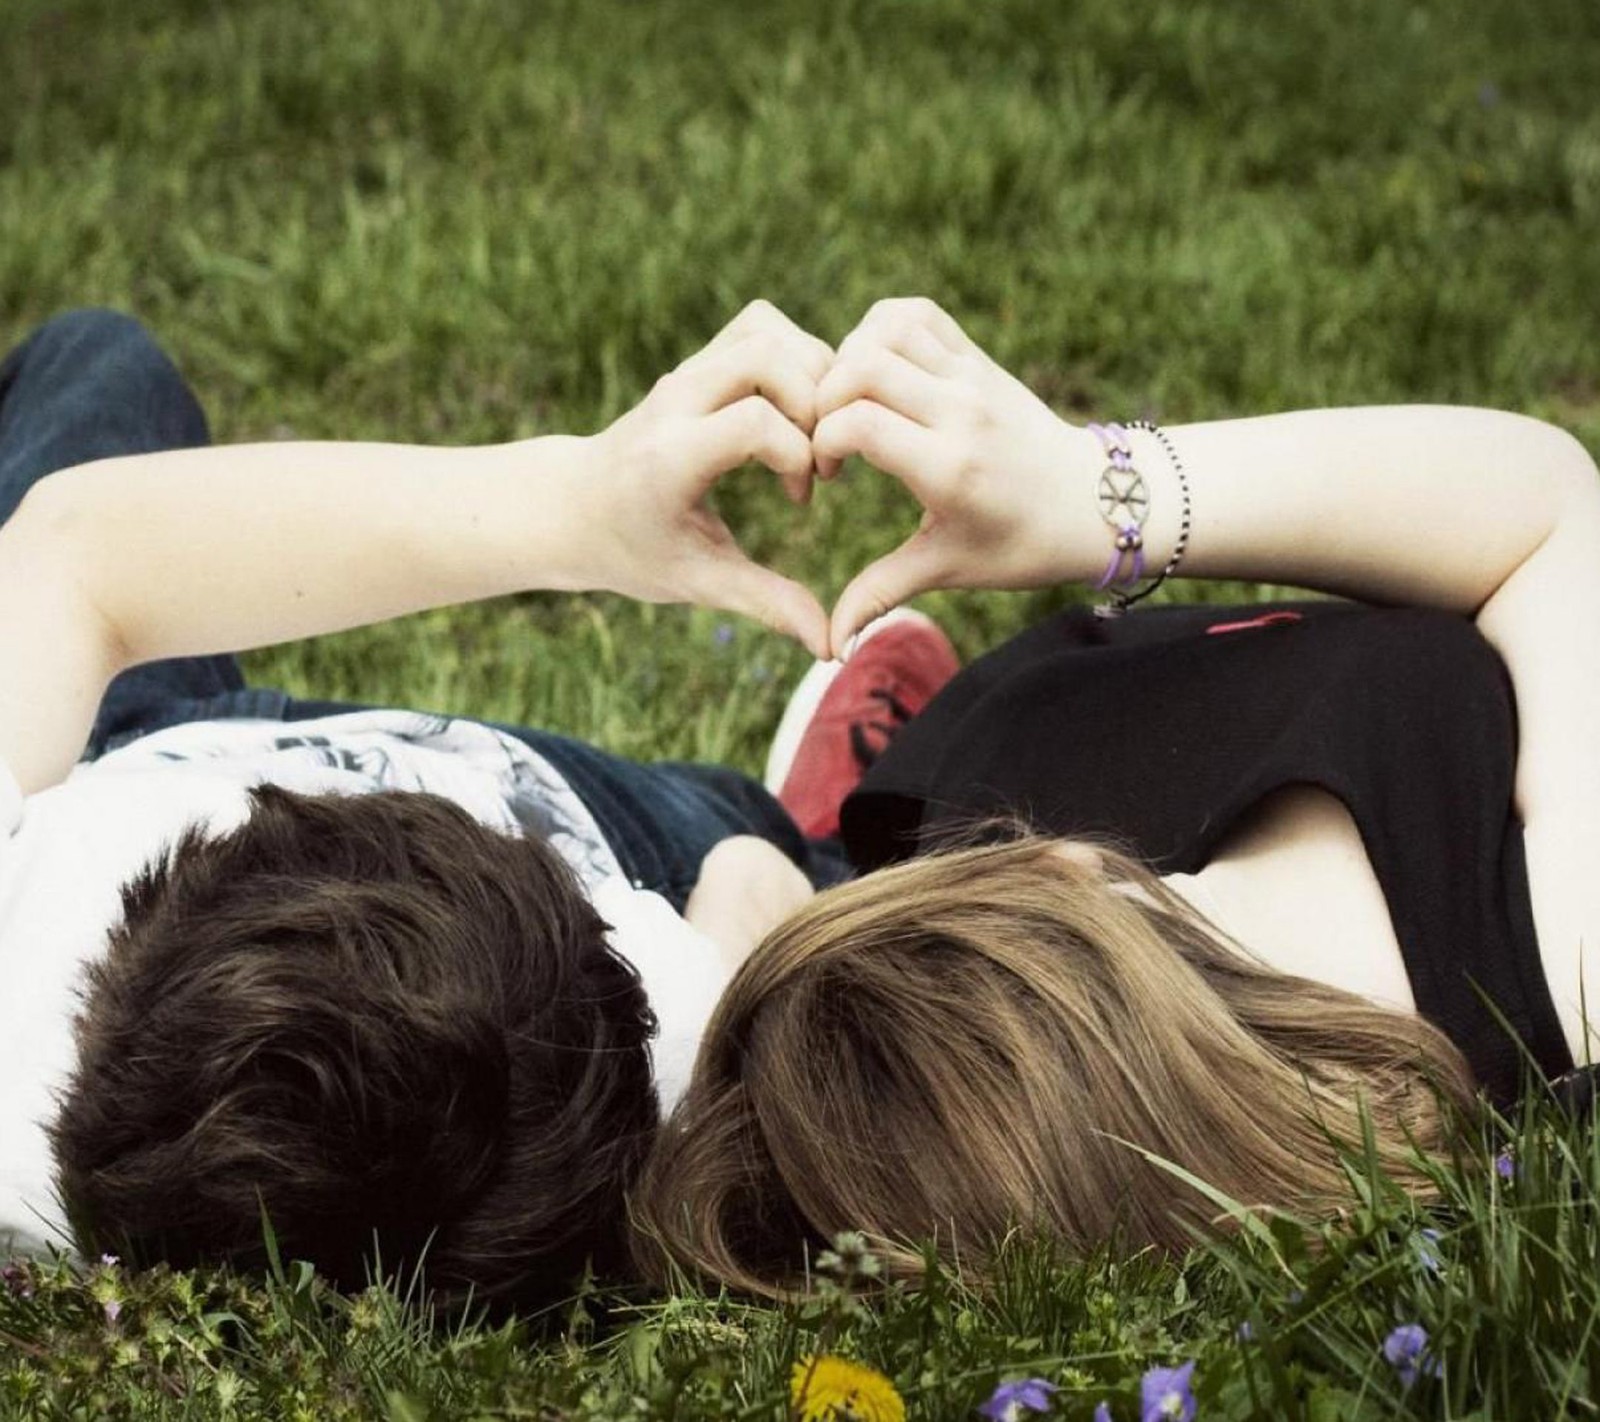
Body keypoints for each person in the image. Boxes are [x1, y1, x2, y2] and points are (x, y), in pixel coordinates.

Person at [631, 296, 1600, 1295]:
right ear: (1059, 864)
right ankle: (811, 862)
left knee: (778, 901)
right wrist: (1095, 497)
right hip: (1076, 748)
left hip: (994, 787)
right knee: (798, 878)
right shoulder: (1574, 956)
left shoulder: (1112, 1130)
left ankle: (806, 858)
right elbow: (1552, 512)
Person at [0, 300, 843, 1312]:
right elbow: (746, 879)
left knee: (97, 357)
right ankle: (847, 821)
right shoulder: (660, 1036)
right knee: (752, 833)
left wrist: (583, 505)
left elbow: (77, 550)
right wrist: (580, 509)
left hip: (108, 750)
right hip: (578, 820)